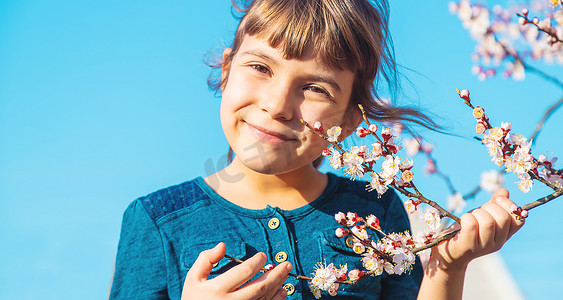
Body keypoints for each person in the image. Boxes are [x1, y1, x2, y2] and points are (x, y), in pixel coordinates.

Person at [109, 0, 525, 299]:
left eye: (314, 88)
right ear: (225, 71)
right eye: (259, 67)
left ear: (347, 121)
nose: (276, 105)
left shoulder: (376, 211)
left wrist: (447, 267)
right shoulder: (157, 222)